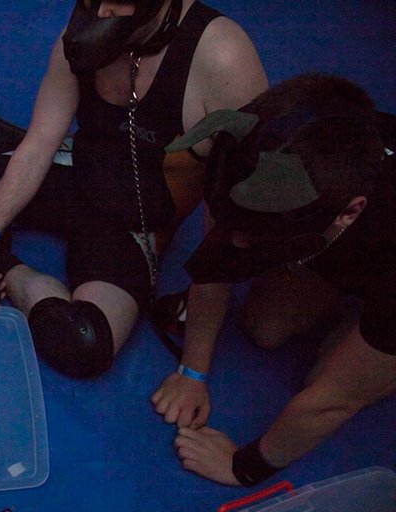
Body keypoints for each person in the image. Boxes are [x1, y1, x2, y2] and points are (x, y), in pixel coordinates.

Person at [0, 0, 266, 378]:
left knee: (83, 344)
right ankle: (14, 153)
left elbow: (228, 230)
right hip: (78, 171)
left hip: (135, 227)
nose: (101, 12)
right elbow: (39, 147)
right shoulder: (85, 28)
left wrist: (193, 371)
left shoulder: (222, 59)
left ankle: (8, 266)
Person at [150, 74, 395, 487]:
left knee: (328, 383)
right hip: (355, 240)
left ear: (348, 213)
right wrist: (192, 372)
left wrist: (244, 467)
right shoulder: (250, 151)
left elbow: (328, 406)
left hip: (381, 253)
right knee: (265, 327)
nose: (237, 241)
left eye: (257, 233)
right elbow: (217, 261)